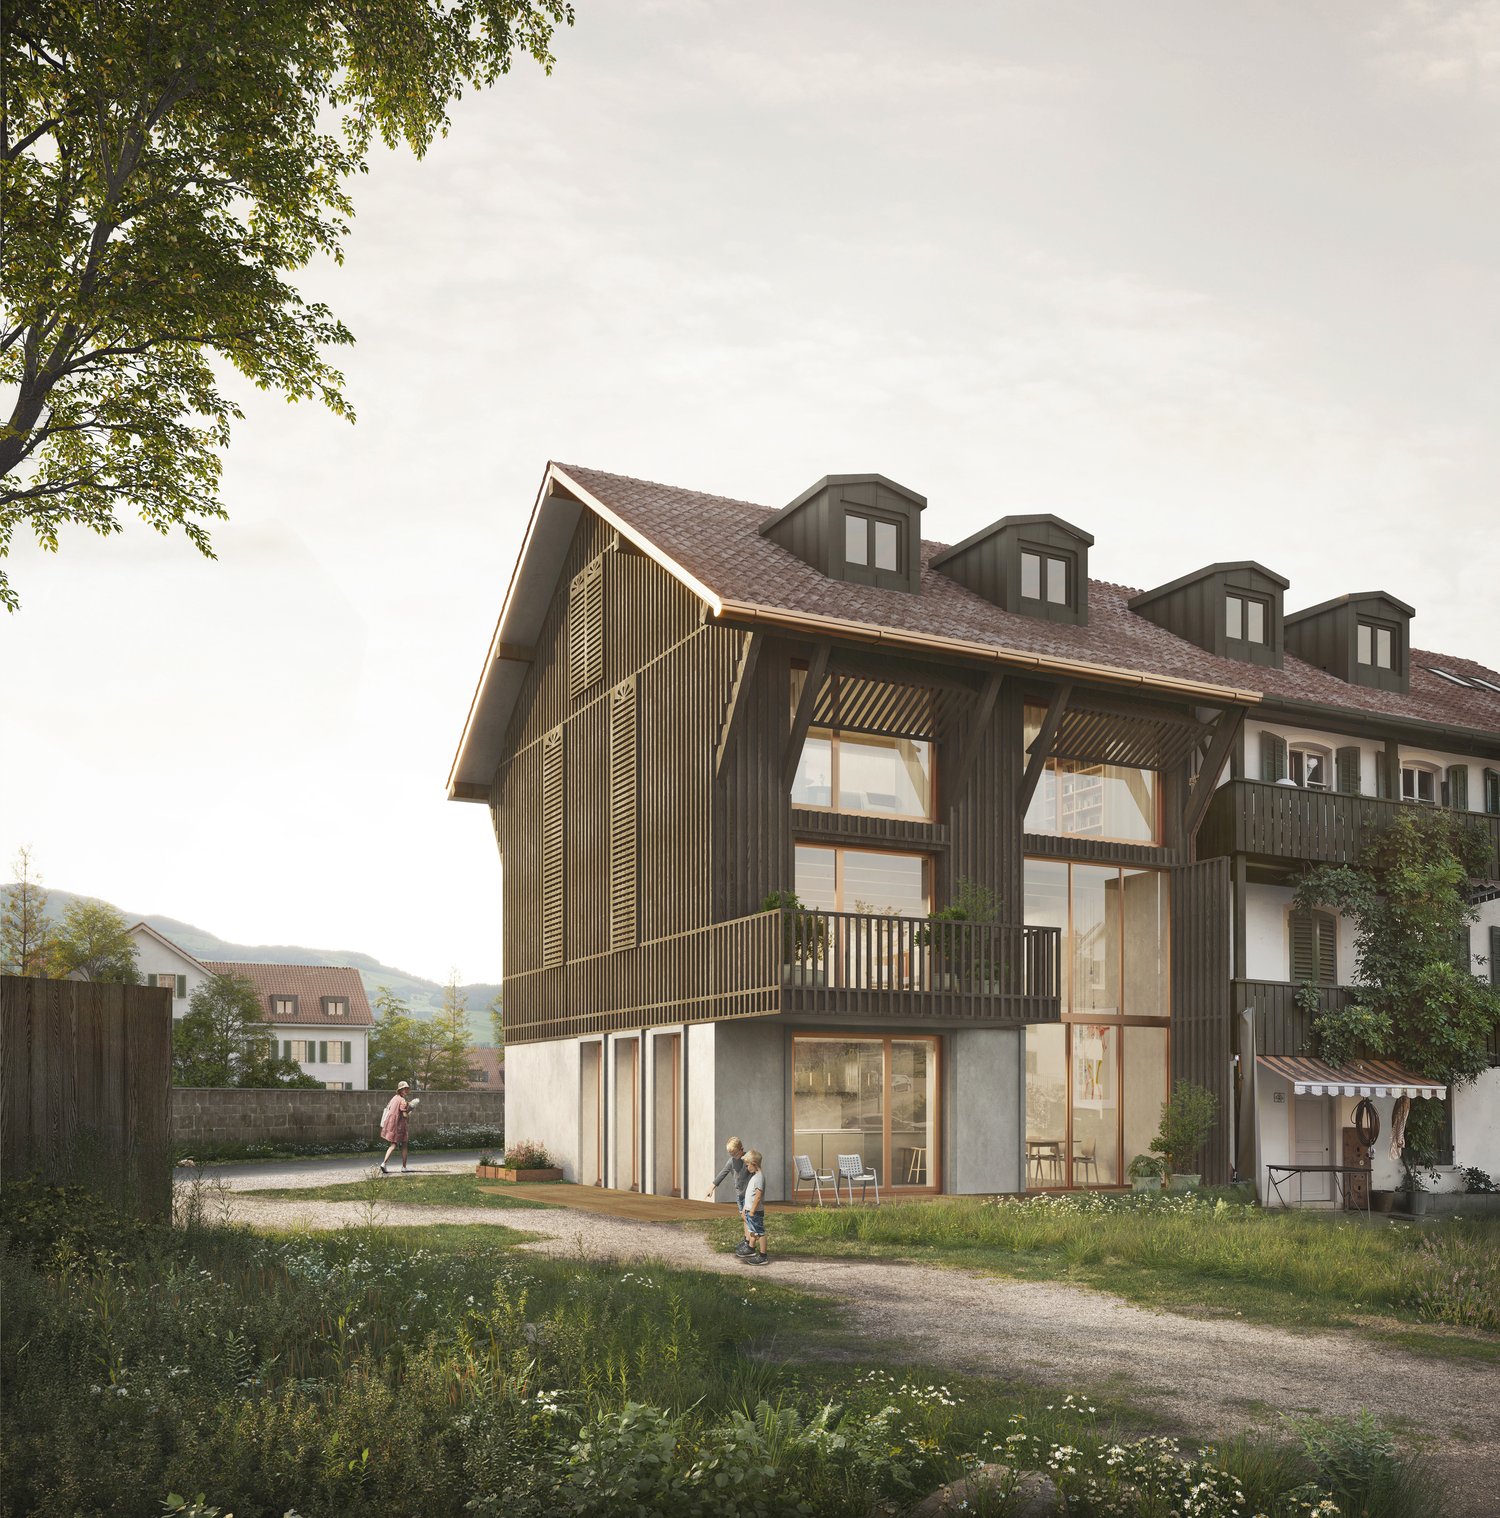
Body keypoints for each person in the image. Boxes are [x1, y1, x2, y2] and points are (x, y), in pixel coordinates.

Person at [706, 1136, 752, 1252]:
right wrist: (712, 1187)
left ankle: (750, 1245)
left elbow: (755, 1172)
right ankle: (746, 1240)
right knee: (744, 1218)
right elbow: (723, 1173)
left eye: (735, 1154)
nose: (733, 1156)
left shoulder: (748, 1160)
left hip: (748, 1195)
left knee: (748, 1219)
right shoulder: (731, 1161)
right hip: (740, 1195)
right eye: (731, 1154)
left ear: (741, 1149)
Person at [379, 1081, 413, 1174]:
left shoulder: (394, 1098)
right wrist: (409, 1112)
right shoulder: (402, 1100)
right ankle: (404, 1167)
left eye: (407, 1089)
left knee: (393, 1145)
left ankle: (384, 1163)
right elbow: (404, 1115)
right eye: (404, 1089)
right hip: (400, 1126)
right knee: (404, 1145)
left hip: (392, 1125)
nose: (406, 1090)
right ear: (400, 1090)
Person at [740, 1149, 767, 1265]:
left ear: (754, 1164)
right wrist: (745, 1209)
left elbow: (758, 1196)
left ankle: (763, 1256)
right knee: (752, 1231)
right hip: (750, 1210)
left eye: (747, 1165)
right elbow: (749, 1195)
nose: (747, 1168)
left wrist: (752, 1211)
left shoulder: (759, 1178)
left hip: (755, 1211)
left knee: (760, 1233)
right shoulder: (755, 1176)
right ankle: (751, 1248)